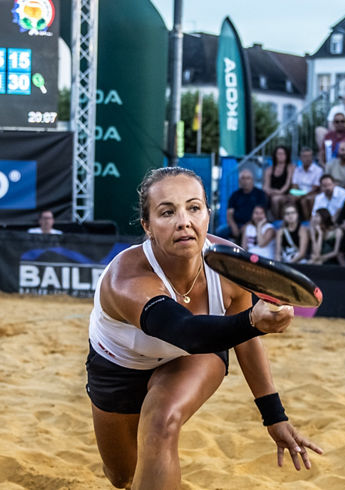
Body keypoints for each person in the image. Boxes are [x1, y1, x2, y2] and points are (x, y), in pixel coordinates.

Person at [85, 167, 320, 488]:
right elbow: (184, 330)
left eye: (194, 208)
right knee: (121, 475)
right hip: (119, 367)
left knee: (161, 424)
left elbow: (246, 342)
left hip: (194, 357)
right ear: (147, 226)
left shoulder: (229, 263)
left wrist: (274, 415)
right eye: (167, 212)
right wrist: (253, 321)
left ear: (208, 215)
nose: (184, 221)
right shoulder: (126, 278)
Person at [225, 169, 268, 243]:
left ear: (252, 180)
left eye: (248, 178)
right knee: (220, 232)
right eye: (243, 178)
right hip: (236, 225)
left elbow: (261, 214)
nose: (245, 181)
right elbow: (229, 214)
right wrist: (233, 226)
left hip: (254, 224)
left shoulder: (260, 194)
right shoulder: (234, 195)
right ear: (239, 181)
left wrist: (246, 226)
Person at [262, 146, 294, 220]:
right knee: (263, 197)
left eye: (283, 154)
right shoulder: (269, 169)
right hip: (273, 193)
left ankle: (278, 220)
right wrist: (271, 191)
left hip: (286, 193)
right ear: (275, 155)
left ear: (287, 155)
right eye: (278, 154)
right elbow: (266, 186)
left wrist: (279, 192)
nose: (281, 156)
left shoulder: (290, 167)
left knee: (275, 199)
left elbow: (287, 184)